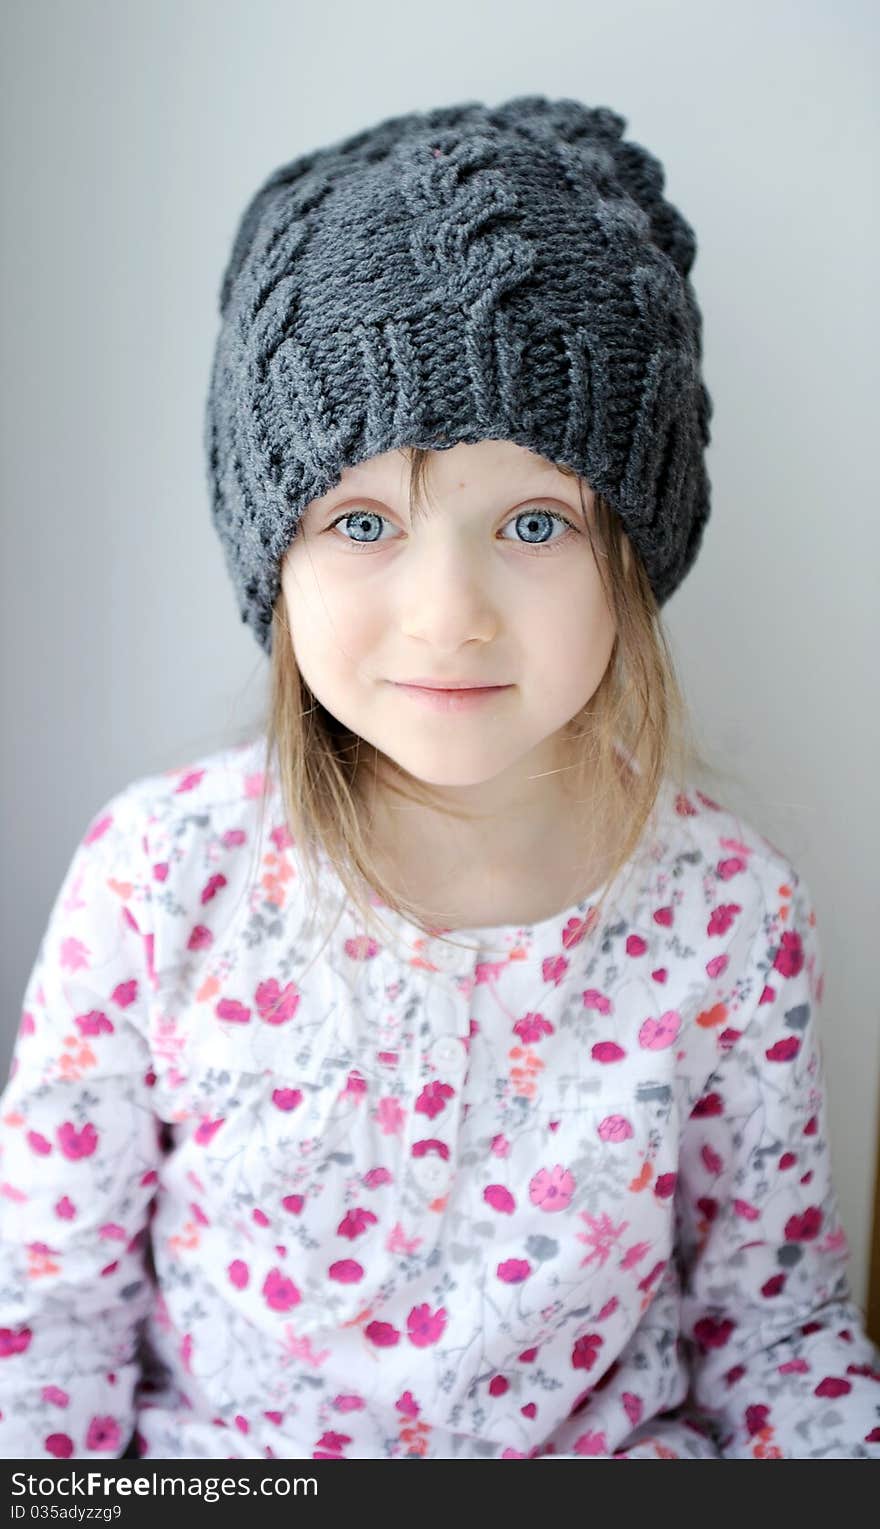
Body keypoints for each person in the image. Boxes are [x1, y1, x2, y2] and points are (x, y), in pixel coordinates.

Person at [1, 95, 878, 1462]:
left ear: (633, 560)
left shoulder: (728, 912)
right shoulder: (160, 877)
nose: (446, 611)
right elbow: (46, 1316)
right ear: (273, 559)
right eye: (362, 521)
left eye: (534, 521)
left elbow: (770, 1329)